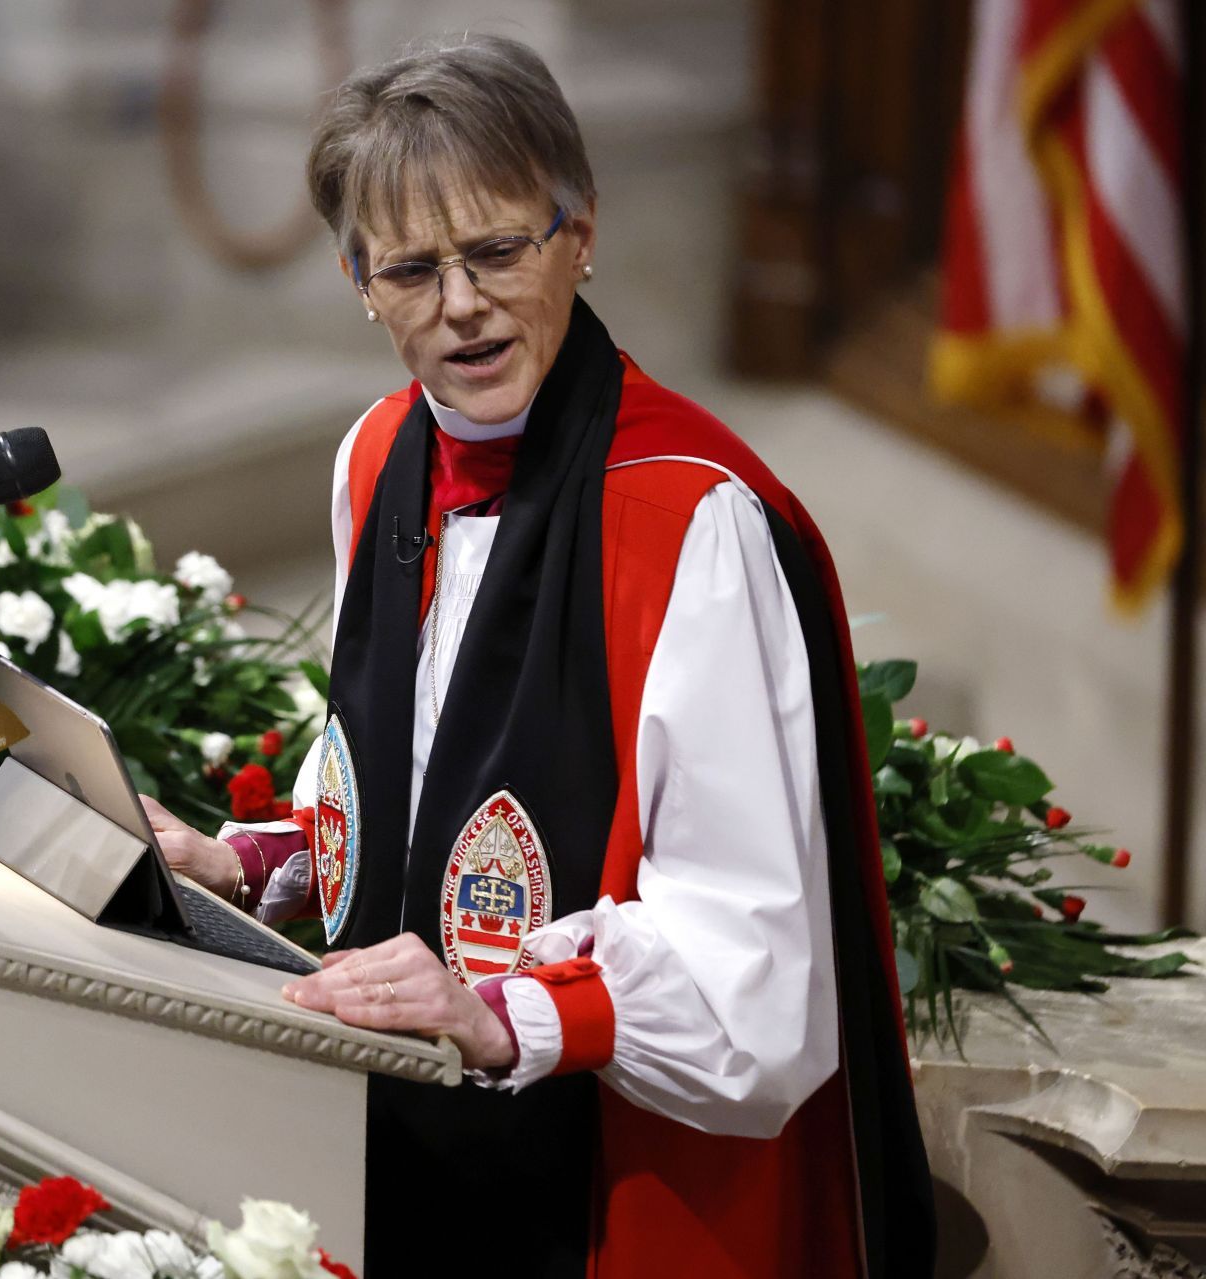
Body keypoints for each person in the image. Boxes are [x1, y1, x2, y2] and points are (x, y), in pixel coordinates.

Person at [140, 32, 935, 1279]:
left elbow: (756, 971)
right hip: (379, 1147)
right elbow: (410, 797)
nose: (460, 305)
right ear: (359, 281)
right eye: (410, 267)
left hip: (607, 1187)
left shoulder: (692, 521)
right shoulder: (376, 456)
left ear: (582, 233)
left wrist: (500, 1014)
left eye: (498, 250)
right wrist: (245, 861)